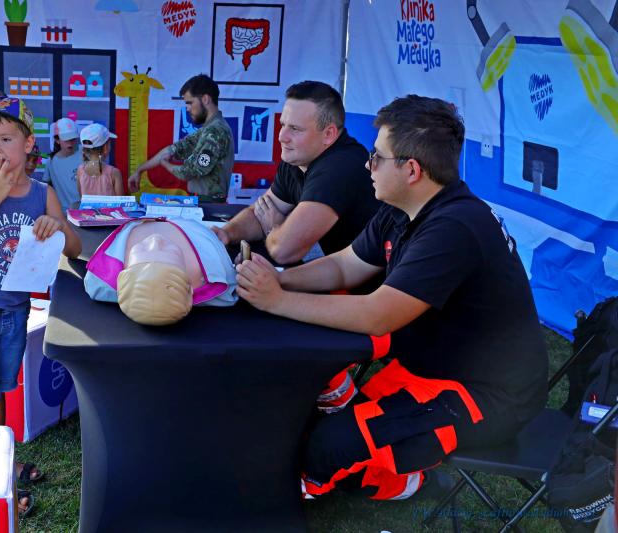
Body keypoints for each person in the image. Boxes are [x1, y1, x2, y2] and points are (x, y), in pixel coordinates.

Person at [236, 95, 548, 501]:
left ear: (412, 169)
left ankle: (417, 483)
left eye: (377, 157)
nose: (368, 166)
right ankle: (360, 427)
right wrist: (279, 280)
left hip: (488, 395)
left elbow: (377, 315)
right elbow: (344, 266)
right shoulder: (403, 207)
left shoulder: (454, 227)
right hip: (429, 369)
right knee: (303, 425)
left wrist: (276, 300)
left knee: (326, 449)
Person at [0, 96, 82, 517]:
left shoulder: (43, 193)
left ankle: (2, 460)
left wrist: (57, 225)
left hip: (14, 310)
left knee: (1, 388)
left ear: (28, 144)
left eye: (5, 139)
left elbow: (74, 248)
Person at [213, 81, 380, 265]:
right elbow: (261, 212)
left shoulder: (341, 167)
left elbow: (283, 250)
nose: (281, 137)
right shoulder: (300, 157)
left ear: (328, 134)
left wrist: (273, 228)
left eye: (295, 129)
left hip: (370, 280)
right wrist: (226, 233)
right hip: (340, 270)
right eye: (283, 124)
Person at [85, 219, 237, 325]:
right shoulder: (216, 275)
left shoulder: (103, 279)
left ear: (122, 278)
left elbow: (94, 285)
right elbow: (229, 287)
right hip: (189, 223)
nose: (155, 240)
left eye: (142, 248)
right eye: (170, 250)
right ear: (189, 288)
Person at [127, 74, 234, 201]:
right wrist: (140, 170)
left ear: (205, 99)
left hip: (209, 204)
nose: (187, 109)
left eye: (190, 103)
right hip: (203, 201)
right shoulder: (208, 129)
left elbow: (191, 171)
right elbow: (174, 149)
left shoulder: (216, 131)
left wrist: (165, 164)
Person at [43, 117, 81, 210]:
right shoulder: (51, 161)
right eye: (66, 139)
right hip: (63, 213)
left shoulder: (85, 152)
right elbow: (45, 188)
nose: (70, 143)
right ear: (57, 140)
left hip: (85, 210)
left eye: (73, 138)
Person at [77, 123, 124, 196]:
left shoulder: (80, 170)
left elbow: (82, 198)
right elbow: (121, 201)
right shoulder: (114, 173)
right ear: (105, 148)